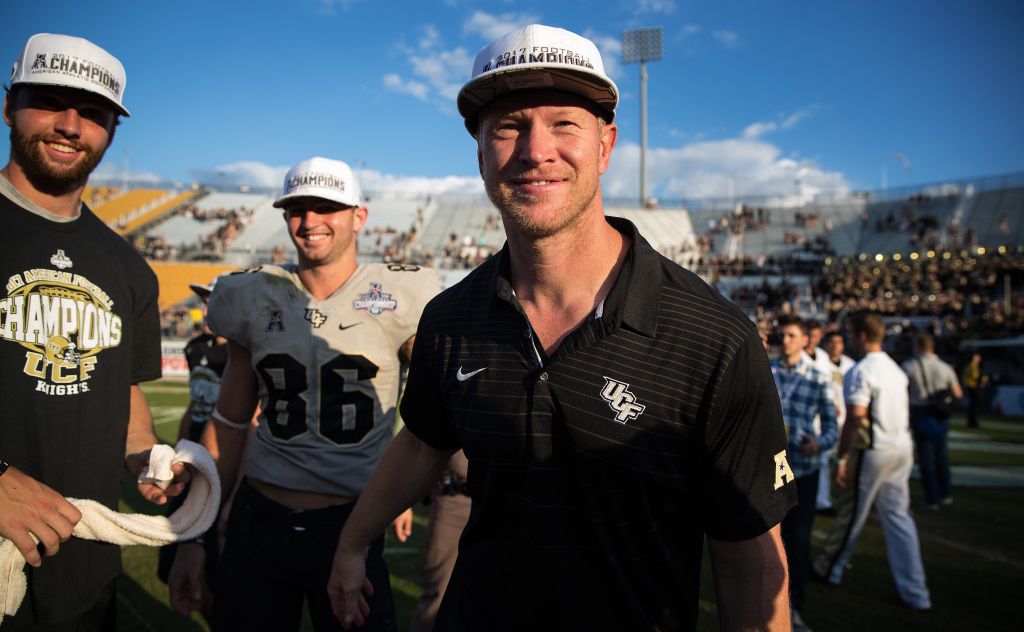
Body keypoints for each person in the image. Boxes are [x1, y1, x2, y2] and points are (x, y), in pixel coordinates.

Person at [329, 24, 795, 631]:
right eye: (508, 125)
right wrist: (351, 543)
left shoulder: (713, 337)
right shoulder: (450, 318)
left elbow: (750, 560)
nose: (534, 149)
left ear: (605, 146)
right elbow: (422, 442)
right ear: (479, 153)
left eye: (563, 124)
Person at [168, 156, 440, 631]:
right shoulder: (251, 294)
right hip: (261, 521)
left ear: (359, 216)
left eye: (326, 208)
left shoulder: (403, 291)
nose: (310, 222)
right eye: (297, 209)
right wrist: (194, 536)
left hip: (354, 523)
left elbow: (438, 417)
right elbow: (230, 424)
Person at [0, 33, 188, 629]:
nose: (69, 125)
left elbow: (125, 385)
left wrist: (143, 455)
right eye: (49, 100)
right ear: (9, 104)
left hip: (85, 573)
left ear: (111, 132)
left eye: (94, 114)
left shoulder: (128, 266)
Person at [813, 313, 931, 611]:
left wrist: (842, 456)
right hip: (900, 446)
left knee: (852, 515)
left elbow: (855, 418)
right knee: (898, 517)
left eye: (851, 333)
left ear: (862, 335)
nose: (850, 339)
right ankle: (915, 590)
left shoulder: (862, 370)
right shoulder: (895, 369)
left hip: (874, 450)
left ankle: (831, 568)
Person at [156, 278, 229, 620]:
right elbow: (193, 404)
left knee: (217, 553)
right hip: (194, 453)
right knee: (180, 541)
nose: (206, 308)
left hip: (222, 458)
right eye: (204, 301)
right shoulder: (195, 347)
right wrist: (178, 450)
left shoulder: (242, 353)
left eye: (213, 301)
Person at [771, 316, 837, 630]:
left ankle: (794, 607)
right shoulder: (765, 371)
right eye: (782, 335)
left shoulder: (819, 377)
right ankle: (765, 600)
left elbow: (831, 427)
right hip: (771, 468)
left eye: (791, 335)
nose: (785, 340)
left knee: (798, 540)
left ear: (803, 341)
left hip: (804, 469)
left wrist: (819, 443)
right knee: (769, 537)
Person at [410, 451, 470, 632]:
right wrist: (404, 503)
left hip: (510, 500)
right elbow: (418, 443)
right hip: (456, 495)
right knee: (438, 596)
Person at [902, 334, 962, 509]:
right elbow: (957, 393)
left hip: (920, 411)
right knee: (941, 453)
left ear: (918, 346)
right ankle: (945, 492)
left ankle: (931, 496)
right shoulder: (945, 367)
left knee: (926, 456)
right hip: (941, 413)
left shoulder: (909, 366)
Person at [815, 330, 855, 513]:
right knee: (822, 460)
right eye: (831, 342)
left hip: (847, 420)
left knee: (847, 460)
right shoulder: (819, 364)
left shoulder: (850, 365)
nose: (835, 346)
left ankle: (849, 497)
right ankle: (822, 500)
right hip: (824, 419)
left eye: (838, 342)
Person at [961, 352, 987, 429]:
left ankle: (972, 422)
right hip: (973, 387)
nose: (979, 359)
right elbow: (975, 376)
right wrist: (983, 377)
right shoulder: (972, 366)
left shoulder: (973, 366)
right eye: (977, 357)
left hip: (973, 387)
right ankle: (973, 422)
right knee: (974, 405)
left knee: (973, 405)